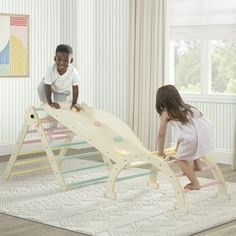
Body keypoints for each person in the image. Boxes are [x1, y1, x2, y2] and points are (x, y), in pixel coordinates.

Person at [155, 85, 214, 190]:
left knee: (181, 159)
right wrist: (178, 145)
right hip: (204, 133)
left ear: (161, 100)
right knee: (196, 145)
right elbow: (186, 129)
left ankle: (195, 183)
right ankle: (197, 165)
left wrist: (160, 151)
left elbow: (161, 134)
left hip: (192, 137)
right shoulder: (187, 107)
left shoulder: (166, 112)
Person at [37, 44, 80, 111]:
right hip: (50, 87)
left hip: (62, 91)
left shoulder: (73, 72)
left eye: (66, 60)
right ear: (55, 59)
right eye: (59, 59)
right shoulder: (51, 70)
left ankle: (54, 113)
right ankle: (46, 105)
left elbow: (75, 88)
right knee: (40, 87)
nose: (62, 63)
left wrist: (74, 103)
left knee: (59, 108)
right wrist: (50, 103)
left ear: (71, 61)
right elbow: (47, 85)